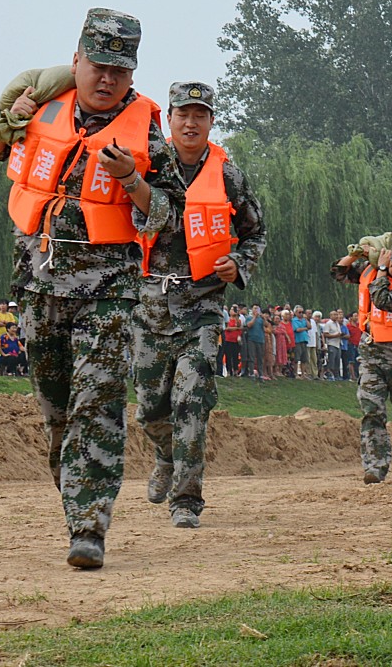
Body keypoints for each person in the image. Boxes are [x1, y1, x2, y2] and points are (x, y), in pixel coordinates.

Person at [0, 8, 184, 568]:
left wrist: (131, 180)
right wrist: (10, 114)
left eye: (120, 68)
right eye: (97, 65)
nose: (107, 78)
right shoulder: (41, 103)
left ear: (132, 73)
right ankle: (75, 501)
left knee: (98, 400)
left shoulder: (147, 128)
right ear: (77, 60)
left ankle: (89, 527)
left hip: (109, 289)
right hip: (40, 285)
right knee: (56, 411)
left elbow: (169, 214)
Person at [133, 81, 266, 530]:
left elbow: (255, 232)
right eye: (183, 114)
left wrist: (239, 262)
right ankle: (166, 455)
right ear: (169, 119)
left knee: (191, 401)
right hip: (149, 306)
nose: (191, 123)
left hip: (202, 307)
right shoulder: (148, 167)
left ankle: (186, 500)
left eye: (200, 115)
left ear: (211, 121)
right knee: (149, 408)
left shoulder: (229, 176)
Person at [331, 239, 392, 483]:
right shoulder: (373, 268)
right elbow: (338, 272)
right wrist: (355, 255)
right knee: (372, 410)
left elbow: (383, 300)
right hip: (371, 353)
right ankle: (375, 466)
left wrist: (385, 270)